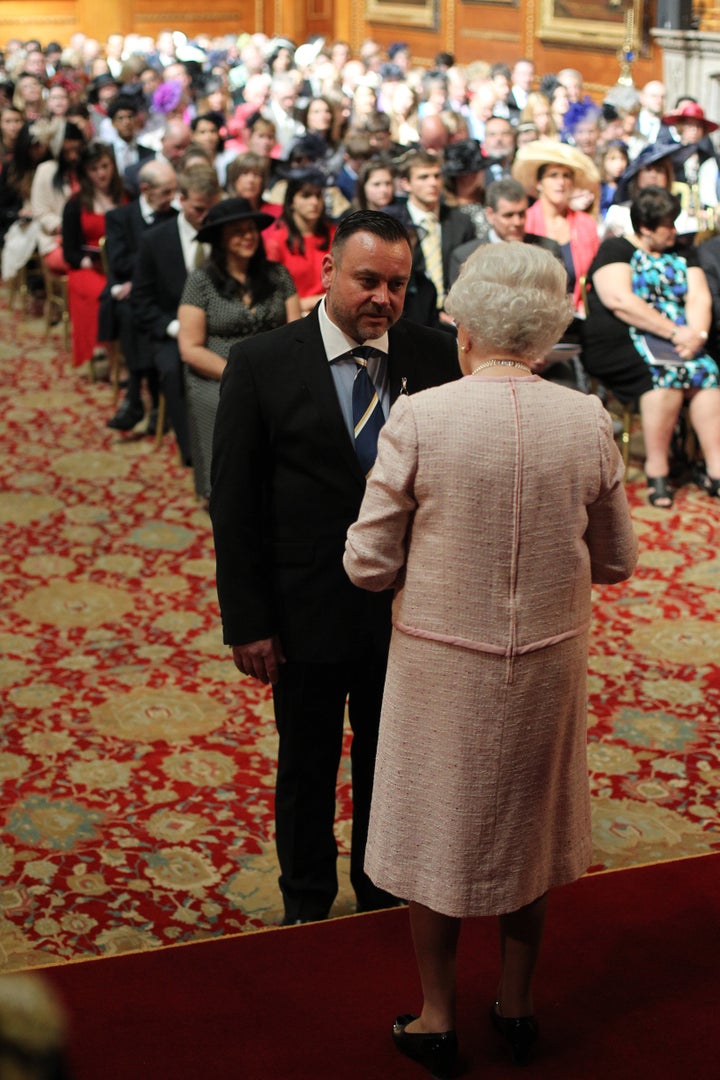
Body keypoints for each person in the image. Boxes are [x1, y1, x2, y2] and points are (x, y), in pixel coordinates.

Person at [343, 241, 637, 1078]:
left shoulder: (423, 417)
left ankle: (437, 1016)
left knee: (437, 835)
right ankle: (517, 1004)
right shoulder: (583, 418)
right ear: (545, 334)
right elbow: (617, 559)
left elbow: (367, 563)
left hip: (442, 661)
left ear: (465, 326)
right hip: (547, 658)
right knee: (526, 833)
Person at [209, 210, 460, 926]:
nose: (383, 297)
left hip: (409, 611)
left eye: (398, 284)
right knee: (308, 769)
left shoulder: (435, 355)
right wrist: (248, 622)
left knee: (393, 766)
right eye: (368, 280)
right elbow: (235, 504)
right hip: (304, 610)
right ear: (327, 272)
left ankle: (381, 896)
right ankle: (306, 905)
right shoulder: (262, 362)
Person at [582, 186, 720, 506]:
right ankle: (659, 469)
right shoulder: (616, 248)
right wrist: (675, 333)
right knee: (663, 378)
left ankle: (715, 467)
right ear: (644, 228)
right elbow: (620, 301)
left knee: (708, 373)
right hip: (624, 338)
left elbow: (699, 295)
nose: (674, 231)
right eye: (666, 225)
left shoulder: (683, 251)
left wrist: (696, 335)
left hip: (682, 339)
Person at [178, 197, 300, 502]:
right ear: (220, 239)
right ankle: (222, 491)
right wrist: (238, 374)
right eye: (237, 231)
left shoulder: (278, 275)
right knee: (228, 406)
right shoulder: (201, 281)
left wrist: (275, 373)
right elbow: (190, 348)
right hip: (217, 373)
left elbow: (297, 333)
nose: (247, 236)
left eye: (251, 229)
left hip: (274, 369)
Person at [132, 164, 222, 466]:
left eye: (211, 208)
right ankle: (195, 455)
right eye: (198, 209)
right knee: (175, 370)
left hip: (221, 326)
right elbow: (141, 301)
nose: (205, 217)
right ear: (180, 200)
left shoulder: (223, 233)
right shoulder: (154, 239)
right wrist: (176, 328)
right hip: (172, 329)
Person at [104, 159, 178, 432]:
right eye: (166, 192)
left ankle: (135, 398)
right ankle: (149, 397)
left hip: (164, 293)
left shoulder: (174, 217)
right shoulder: (119, 217)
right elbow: (119, 263)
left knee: (139, 310)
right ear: (146, 189)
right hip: (133, 295)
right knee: (131, 311)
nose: (172, 199)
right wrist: (149, 263)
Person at [512, 139, 599, 312]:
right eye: (553, 175)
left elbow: (594, 276)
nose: (561, 182)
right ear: (539, 183)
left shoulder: (586, 223)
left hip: (578, 317)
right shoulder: (525, 221)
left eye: (566, 176)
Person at [61, 141, 124, 368]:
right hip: (88, 267)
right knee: (103, 293)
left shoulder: (126, 195)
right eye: (94, 169)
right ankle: (114, 358)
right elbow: (70, 251)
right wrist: (89, 260)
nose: (101, 173)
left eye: (105, 166)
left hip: (123, 265)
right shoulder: (75, 204)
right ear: (86, 173)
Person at [263, 167, 337, 314]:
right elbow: (271, 298)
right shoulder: (277, 242)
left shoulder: (336, 234)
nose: (314, 202)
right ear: (291, 202)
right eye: (306, 196)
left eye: (318, 196)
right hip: (295, 316)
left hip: (333, 312)